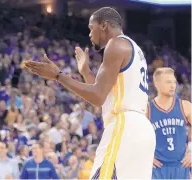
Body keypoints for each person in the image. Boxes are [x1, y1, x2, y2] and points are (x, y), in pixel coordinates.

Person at [23, 7, 155, 179]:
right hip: (142, 129)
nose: (90, 35)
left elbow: (98, 97)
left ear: (104, 26)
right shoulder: (134, 49)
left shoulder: (115, 44)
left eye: (91, 28)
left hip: (124, 125)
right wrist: (85, 72)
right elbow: (105, 92)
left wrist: (58, 76)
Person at [147, 67, 191, 179]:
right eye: (168, 82)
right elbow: (133, 136)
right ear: (157, 84)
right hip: (157, 168)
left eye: (174, 82)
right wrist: (146, 156)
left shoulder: (185, 106)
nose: (173, 86)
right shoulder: (147, 109)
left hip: (180, 166)